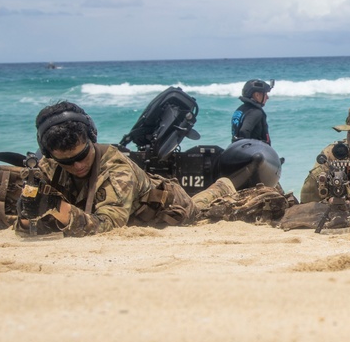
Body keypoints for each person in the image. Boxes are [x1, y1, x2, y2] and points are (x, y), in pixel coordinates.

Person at [18, 101, 242, 237]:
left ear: (91, 138)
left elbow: (109, 225)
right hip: (134, 200)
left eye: (82, 155)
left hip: (170, 205)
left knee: (200, 207)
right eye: (67, 161)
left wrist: (59, 208)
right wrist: (28, 214)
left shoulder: (118, 171)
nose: (77, 166)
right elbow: (26, 224)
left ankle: (224, 185)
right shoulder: (48, 166)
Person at [231, 79, 273, 143]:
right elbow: (244, 131)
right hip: (253, 152)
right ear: (257, 95)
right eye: (265, 94)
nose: (267, 97)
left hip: (236, 149)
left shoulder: (240, 109)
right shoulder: (256, 112)